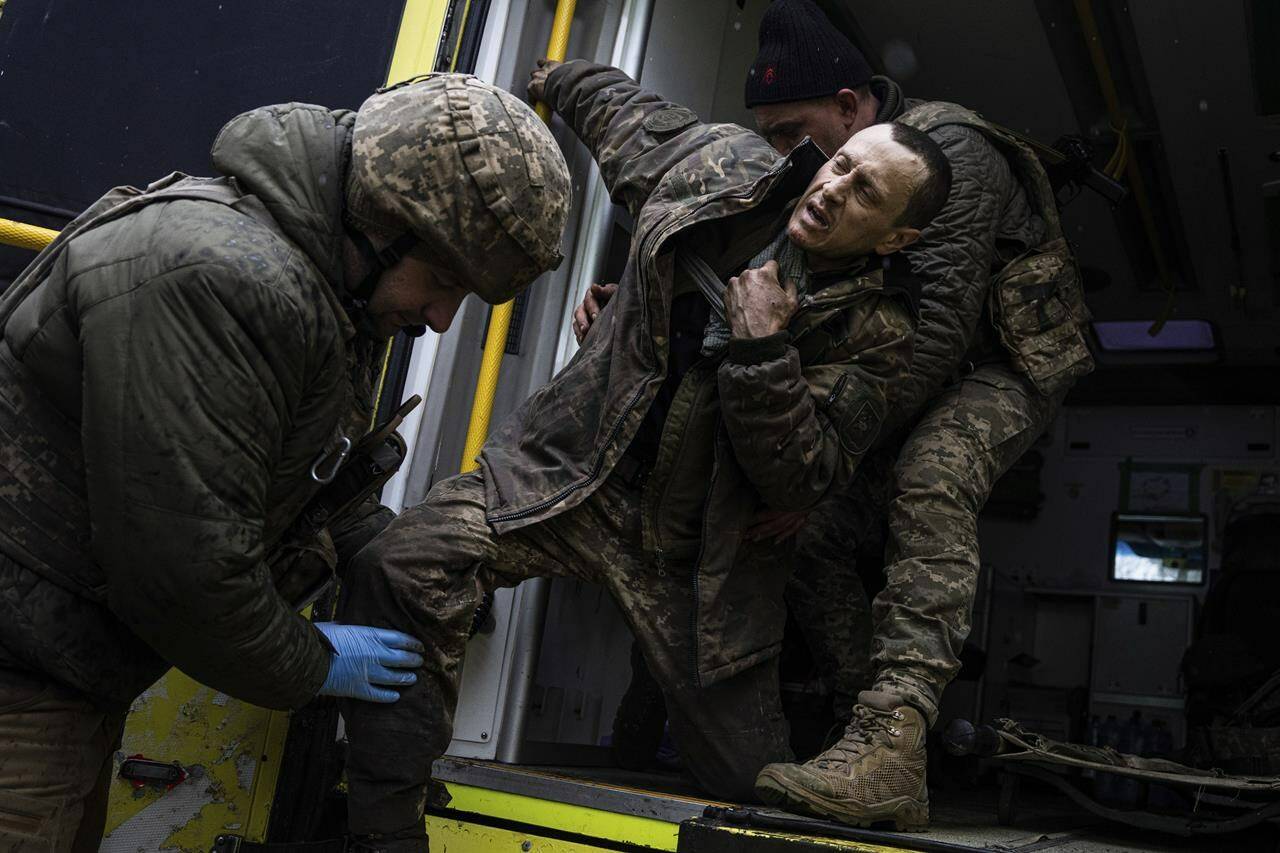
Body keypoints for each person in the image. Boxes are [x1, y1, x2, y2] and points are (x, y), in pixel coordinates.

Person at [336, 57, 953, 851]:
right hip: (566, 476)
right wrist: (555, 77)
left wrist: (764, 351)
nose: (834, 188)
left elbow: (804, 476)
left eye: (866, 192)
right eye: (841, 165)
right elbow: (621, 113)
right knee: (404, 559)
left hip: (694, 557)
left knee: (746, 780)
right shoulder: (719, 165)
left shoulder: (879, 333)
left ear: (897, 237)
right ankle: (384, 829)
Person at [0, 74, 570, 853]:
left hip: (57, 670)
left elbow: (289, 478)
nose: (440, 319)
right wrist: (317, 661)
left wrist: (407, 558)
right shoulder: (220, 277)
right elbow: (185, 576)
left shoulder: (325, 288)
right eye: (441, 281)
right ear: (380, 221)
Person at [738, 0, 1094, 831]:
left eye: (793, 133)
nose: (788, 158)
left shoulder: (952, 155)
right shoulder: (844, 167)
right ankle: (864, 731)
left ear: (851, 107)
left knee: (932, 474)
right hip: (917, 366)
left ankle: (892, 741)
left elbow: (931, 340)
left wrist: (824, 466)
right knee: (814, 539)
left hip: (1004, 362)